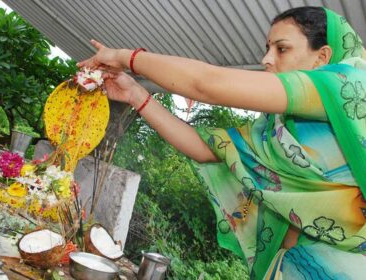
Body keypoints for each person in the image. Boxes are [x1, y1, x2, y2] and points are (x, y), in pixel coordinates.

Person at [78, 6, 366, 279]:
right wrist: (135, 95)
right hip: (287, 267)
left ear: (322, 57)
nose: (267, 59)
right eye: (267, 49)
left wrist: (127, 57)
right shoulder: (275, 131)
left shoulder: (349, 88)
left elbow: (207, 84)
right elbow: (205, 149)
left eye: (281, 49)